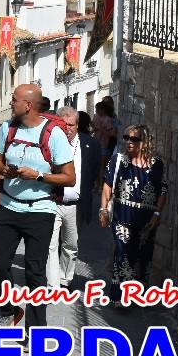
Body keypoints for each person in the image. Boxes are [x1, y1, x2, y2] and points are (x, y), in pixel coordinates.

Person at [0, 84, 75, 335]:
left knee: (35, 271)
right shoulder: (8, 128)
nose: (10, 103)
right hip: (8, 205)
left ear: (28, 105)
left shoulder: (54, 134)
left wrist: (38, 175)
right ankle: (10, 309)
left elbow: (69, 178)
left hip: (41, 210)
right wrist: (4, 170)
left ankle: (36, 331)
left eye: (14, 99)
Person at [99, 124, 167, 305]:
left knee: (142, 256)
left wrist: (157, 213)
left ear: (145, 142)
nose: (129, 142)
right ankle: (119, 296)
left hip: (146, 220)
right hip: (122, 216)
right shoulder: (118, 160)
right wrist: (103, 209)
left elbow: (163, 190)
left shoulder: (157, 165)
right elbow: (107, 186)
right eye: (126, 138)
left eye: (134, 139)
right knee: (122, 253)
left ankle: (136, 295)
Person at [46, 106, 98, 288]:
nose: (68, 128)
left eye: (71, 125)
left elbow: (93, 173)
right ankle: (52, 283)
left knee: (71, 245)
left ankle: (64, 279)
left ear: (77, 125)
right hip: (52, 201)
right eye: (64, 124)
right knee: (50, 244)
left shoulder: (90, 145)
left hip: (75, 205)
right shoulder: (50, 141)